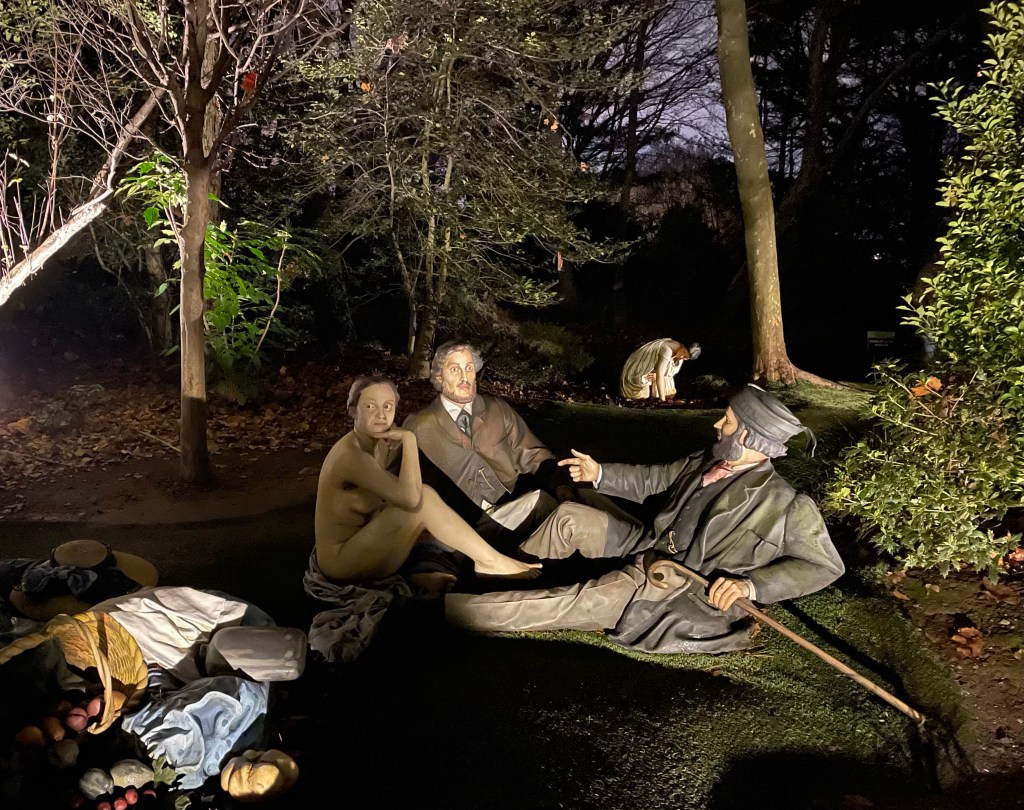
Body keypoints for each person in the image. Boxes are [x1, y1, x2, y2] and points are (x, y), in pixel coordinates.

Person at [445, 384, 845, 654]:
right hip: (645, 543)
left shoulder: (786, 504)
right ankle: (505, 573)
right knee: (569, 516)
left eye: (727, 421)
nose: (717, 425)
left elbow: (825, 565)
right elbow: (652, 479)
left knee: (577, 601)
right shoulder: (706, 459)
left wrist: (750, 585)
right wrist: (599, 474)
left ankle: (452, 610)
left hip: (677, 587)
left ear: (748, 436)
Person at [313, 375, 541, 584]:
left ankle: (429, 571)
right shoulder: (351, 456)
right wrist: (410, 440)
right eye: (370, 406)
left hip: (367, 543)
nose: (381, 415)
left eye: (388, 406)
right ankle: (490, 561)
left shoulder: (380, 443)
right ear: (353, 411)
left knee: (434, 514)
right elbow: (412, 499)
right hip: (341, 562)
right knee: (425, 500)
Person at [404, 341, 631, 543]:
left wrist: (561, 485)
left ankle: (639, 541)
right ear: (439, 377)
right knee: (548, 505)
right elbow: (405, 488)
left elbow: (534, 455)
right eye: (455, 369)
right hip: (466, 525)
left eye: (469, 368)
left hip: (514, 506)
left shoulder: (497, 409)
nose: (464, 377)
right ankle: (631, 547)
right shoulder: (419, 426)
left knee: (588, 498)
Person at [619, 338, 701, 401]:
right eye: (683, 353)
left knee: (669, 389)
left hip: (654, 372)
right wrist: (662, 400)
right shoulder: (667, 349)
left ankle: (657, 395)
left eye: (686, 357)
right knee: (642, 397)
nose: (682, 357)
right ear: (683, 346)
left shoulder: (680, 353)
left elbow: (669, 374)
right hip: (637, 370)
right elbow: (660, 374)